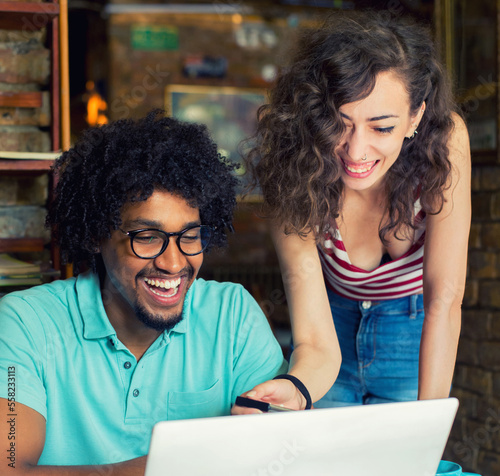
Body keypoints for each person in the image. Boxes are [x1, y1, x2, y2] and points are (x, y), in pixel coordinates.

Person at [0, 111, 288, 474]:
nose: (173, 263)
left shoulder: (233, 317)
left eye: (189, 236)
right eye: (147, 238)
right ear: (95, 234)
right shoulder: (26, 323)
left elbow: (279, 456)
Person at [243, 11, 471, 407]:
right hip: (331, 323)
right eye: (339, 122)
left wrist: (428, 422)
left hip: (415, 325)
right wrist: (296, 390)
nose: (355, 151)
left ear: (415, 115)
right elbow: (314, 339)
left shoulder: (446, 143)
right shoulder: (292, 160)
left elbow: (444, 298)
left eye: (381, 127)